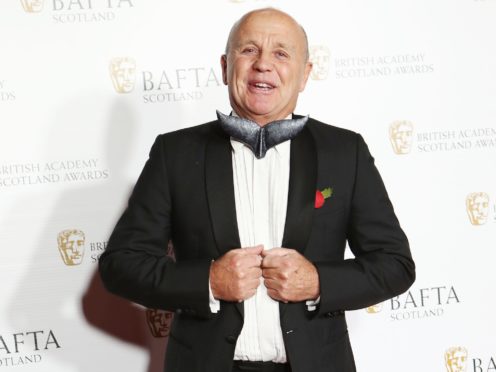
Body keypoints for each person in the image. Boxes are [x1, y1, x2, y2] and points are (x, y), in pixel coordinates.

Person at [99, 8, 415, 372]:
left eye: (281, 53)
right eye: (249, 50)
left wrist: (317, 281)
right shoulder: (176, 153)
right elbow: (121, 265)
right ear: (225, 66)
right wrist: (208, 281)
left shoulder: (345, 152)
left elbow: (395, 265)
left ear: (305, 74)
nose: (263, 64)